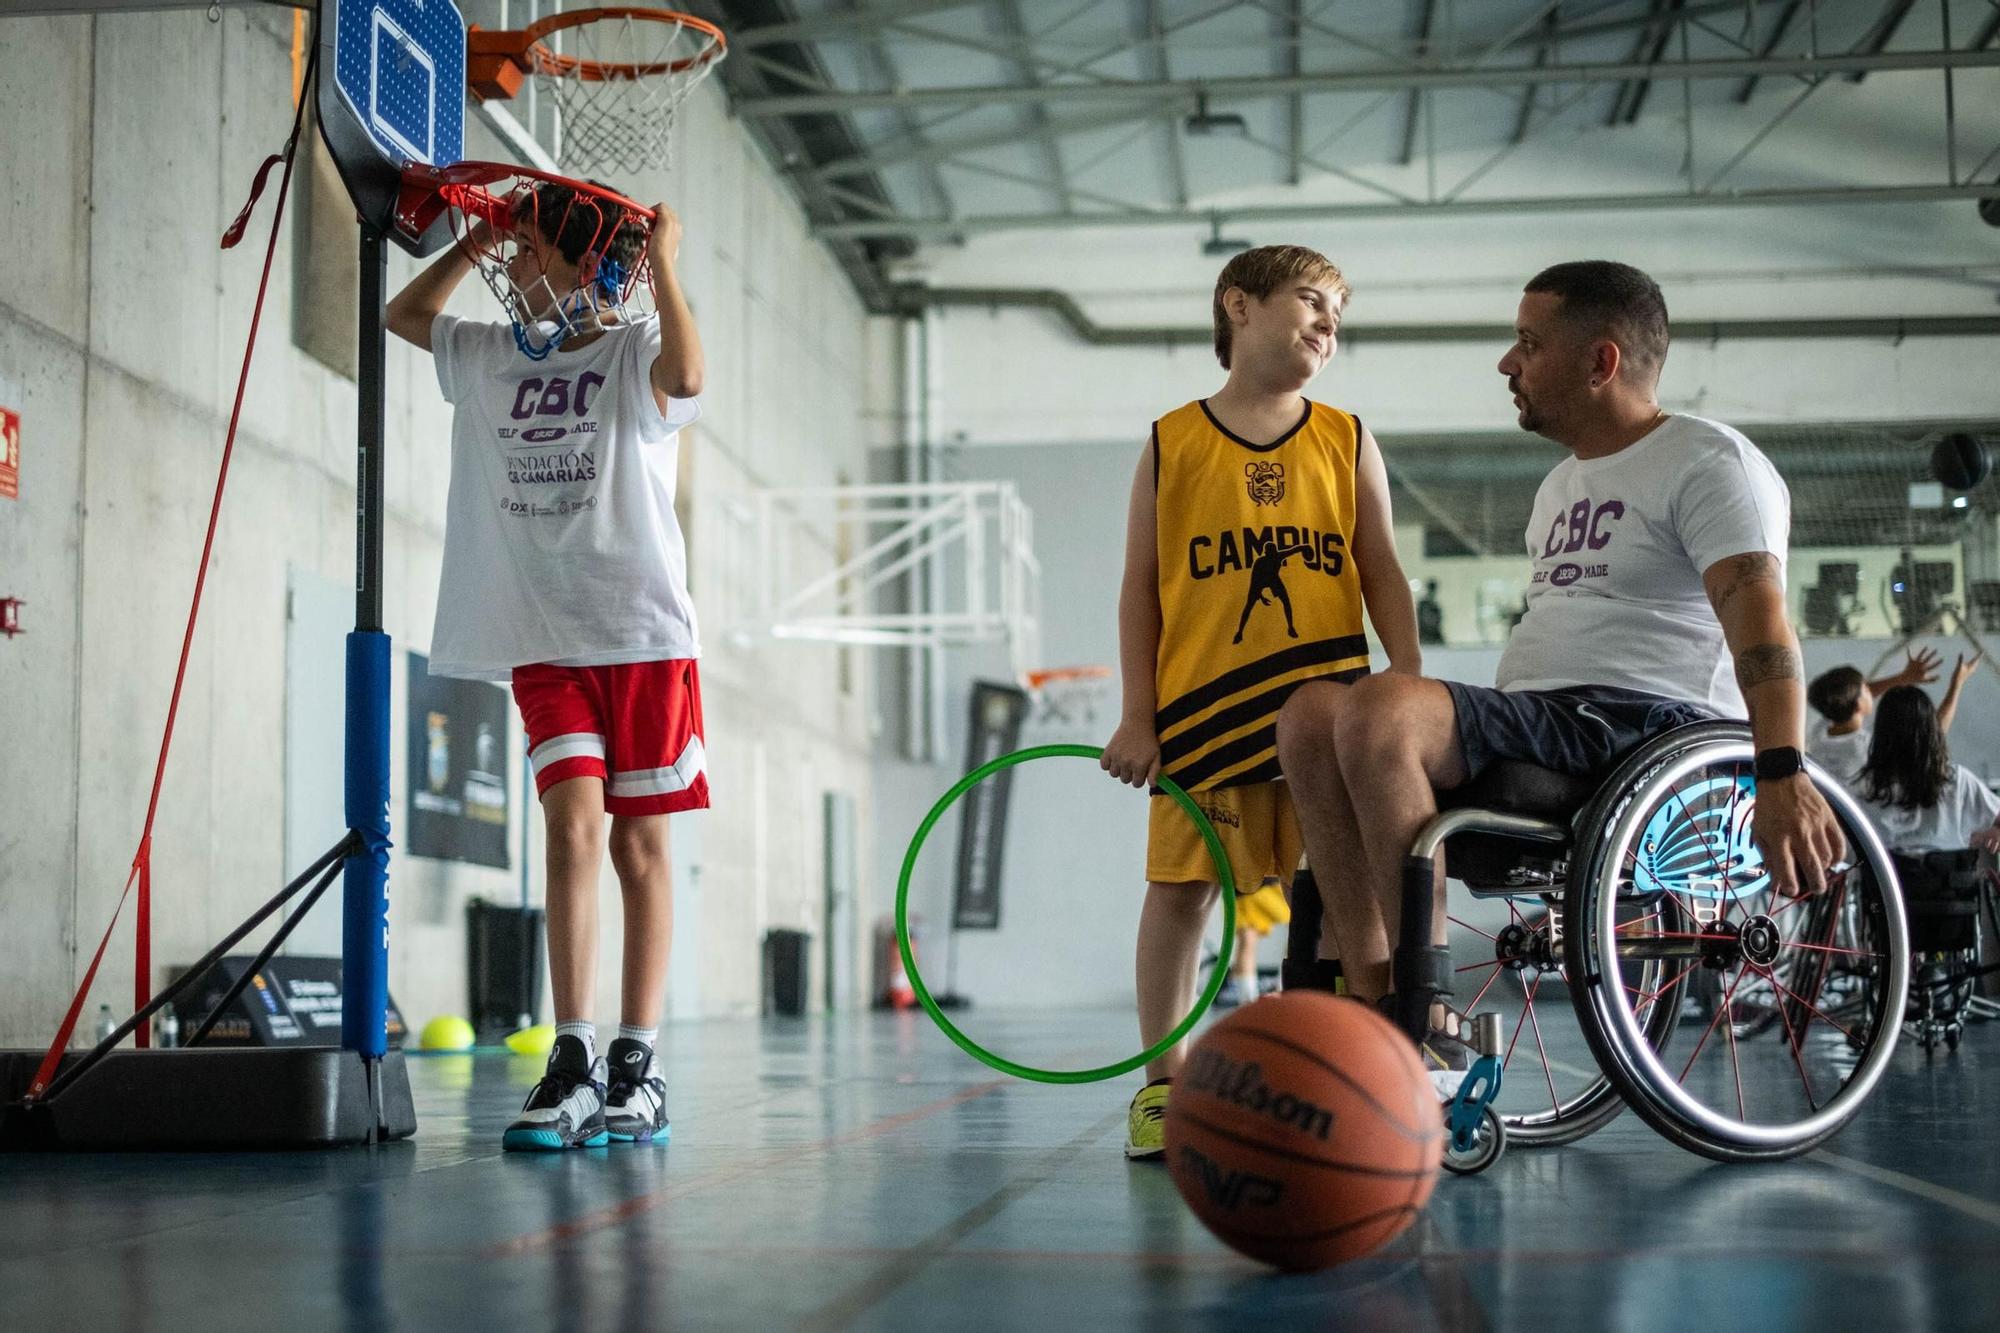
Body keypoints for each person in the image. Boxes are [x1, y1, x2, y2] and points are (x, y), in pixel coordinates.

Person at [1276, 260, 1842, 1087]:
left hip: (1646, 732)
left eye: (1528, 344)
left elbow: (1762, 630)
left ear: (1601, 362)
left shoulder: (1707, 463)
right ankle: (1371, 1007)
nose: (1509, 364)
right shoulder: (1559, 487)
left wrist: (1782, 767)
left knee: (1384, 710)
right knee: (1310, 712)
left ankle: (1422, 1016)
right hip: (1549, 721)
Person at [386, 183, 704, 1151]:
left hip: (640, 635)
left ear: (577, 266)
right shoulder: (486, 357)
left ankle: (636, 1065)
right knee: (570, 829)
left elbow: (688, 376)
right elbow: (404, 314)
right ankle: (571, 1054)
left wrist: (666, 258)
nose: (509, 272)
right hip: (544, 636)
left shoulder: (629, 350)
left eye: (524, 254)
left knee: (636, 849)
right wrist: (481, 233)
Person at [1099, 244, 1421, 1160]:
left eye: (1339, 317)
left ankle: (1363, 1068)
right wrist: (1137, 714)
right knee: (1180, 893)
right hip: (1205, 714)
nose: (1328, 325)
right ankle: (1162, 1087)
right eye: (1313, 302)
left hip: (1328, 717)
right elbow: (1141, 588)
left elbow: (1382, 567)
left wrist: (1408, 670)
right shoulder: (1172, 440)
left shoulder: (1347, 435)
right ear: (1237, 305)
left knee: (1344, 898)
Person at [1854, 685, 2000, 854]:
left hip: (1884, 878)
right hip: (1948, 877)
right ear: (1932, 730)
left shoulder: (1862, 786)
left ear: (1881, 732)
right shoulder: (1956, 781)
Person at [1807, 649, 1977, 781]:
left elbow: (1847, 696)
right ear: (1858, 704)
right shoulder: (1868, 749)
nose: (1871, 689)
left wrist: (1903, 678)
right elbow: (1933, 736)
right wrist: (1957, 684)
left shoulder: (1819, 733)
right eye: (1865, 688)